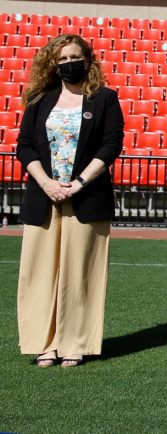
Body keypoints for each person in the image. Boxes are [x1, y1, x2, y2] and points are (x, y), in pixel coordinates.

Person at [15, 34, 123, 367]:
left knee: (80, 274)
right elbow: (25, 146)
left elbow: (110, 145)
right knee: (39, 273)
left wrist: (77, 184)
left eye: (74, 57)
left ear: (88, 60)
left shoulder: (104, 99)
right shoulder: (39, 100)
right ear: (53, 64)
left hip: (86, 198)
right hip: (44, 197)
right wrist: (47, 183)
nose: (68, 64)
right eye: (61, 60)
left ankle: (75, 343)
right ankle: (43, 344)